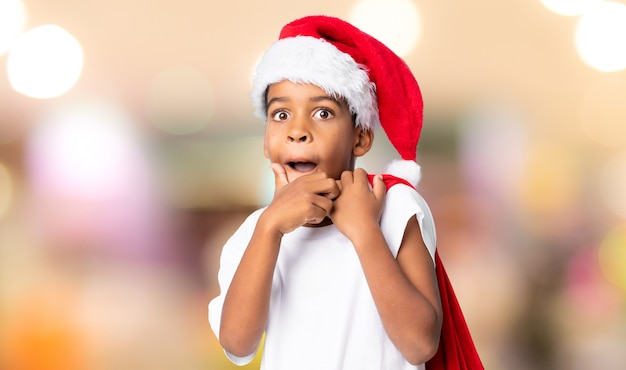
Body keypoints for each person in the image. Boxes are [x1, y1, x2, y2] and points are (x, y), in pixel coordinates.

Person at [209, 15, 483, 370]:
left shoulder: (393, 206)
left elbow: (420, 344)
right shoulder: (256, 233)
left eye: (322, 112)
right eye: (280, 114)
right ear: (266, 141)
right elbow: (238, 345)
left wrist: (364, 230)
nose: (297, 130)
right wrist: (269, 229)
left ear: (361, 137)